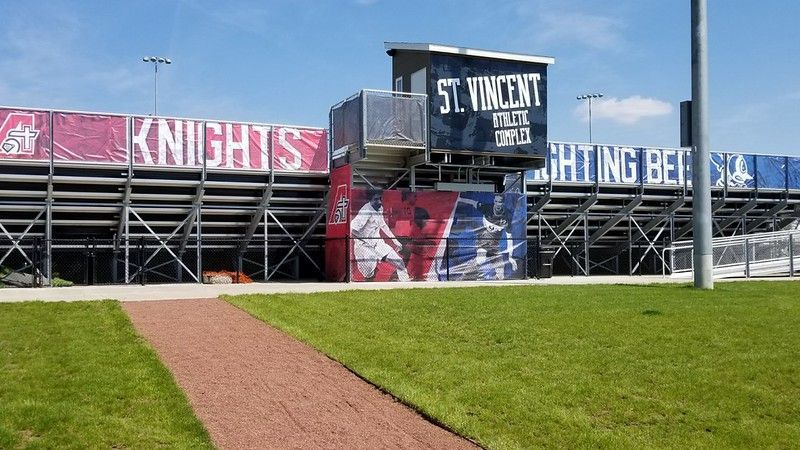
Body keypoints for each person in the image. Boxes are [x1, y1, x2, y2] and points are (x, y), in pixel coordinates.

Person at [350, 189, 410, 281]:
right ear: (370, 200)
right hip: (363, 247)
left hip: (378, 243)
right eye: (376, 199)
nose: (379, 202)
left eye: (380, 199)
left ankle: (406, 285)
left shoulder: (379, 208)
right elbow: (353, 230)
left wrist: (395, 241)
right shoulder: (365, 211)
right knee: (369, 275)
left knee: (399, 262)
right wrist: (366, 242)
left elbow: (383, 225)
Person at [457, 193, 519, 280]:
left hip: (494, 245)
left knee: (501, 273)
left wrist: (510, 256)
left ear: (503, 203)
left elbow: (509, 237)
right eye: (496, 201)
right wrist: (459, 199)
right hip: (483, 239)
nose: (498, 203)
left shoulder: (507, 215)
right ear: (494, 201)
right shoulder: (487, 208)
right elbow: (472, 202)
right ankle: (463, 278)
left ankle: (495, 285)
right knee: (481, 259)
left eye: (500, 202)